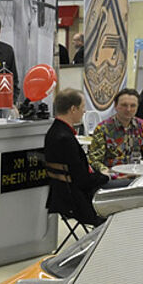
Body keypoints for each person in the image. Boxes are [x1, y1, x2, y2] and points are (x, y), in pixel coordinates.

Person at [45, 88, 109, 225]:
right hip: (77, 201)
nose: (84, 111)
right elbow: (82, 180)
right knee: (127, 187)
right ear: (73, 109)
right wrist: (105, 176)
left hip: (62, 196)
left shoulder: (53, 132)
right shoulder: (65, 138)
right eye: (83, 107)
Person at [89, 88, 143, 177]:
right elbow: (94, 160)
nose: (128, 109)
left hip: (137, 175)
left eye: (133, 106)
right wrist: (108, 173)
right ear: (115, 106)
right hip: (113, 177)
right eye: (124, 105)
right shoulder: (103, 128)